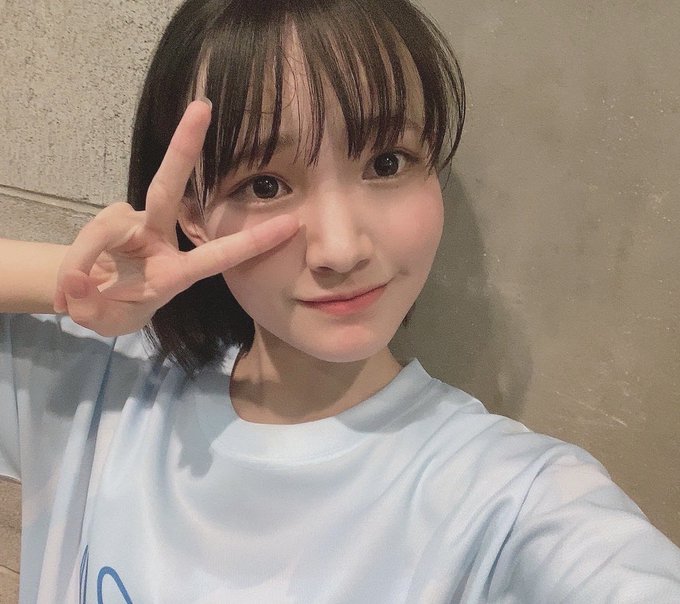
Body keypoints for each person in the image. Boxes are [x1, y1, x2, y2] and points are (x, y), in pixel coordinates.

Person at [1, 0, 679, 601]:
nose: (340, 249)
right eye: (265, 184)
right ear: (195, 216)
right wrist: (78, 282)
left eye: (386, 163)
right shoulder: (97, 384)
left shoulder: (511, 504)